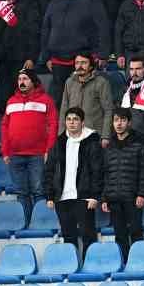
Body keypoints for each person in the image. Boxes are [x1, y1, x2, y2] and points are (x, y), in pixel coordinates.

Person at [44, 106, 103, 258]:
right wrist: (50, 195)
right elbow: (49, 170)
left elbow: (98, 170)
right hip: (62, 198)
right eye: (69, 119)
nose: (71, 122)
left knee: (87, 234)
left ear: (82, 122)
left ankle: (91, 266)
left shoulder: (92, 141)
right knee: (68, 236)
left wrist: (94, 196)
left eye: (75, 119)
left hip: (84, 197)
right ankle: (72, 267)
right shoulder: (59, 143)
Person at [1, 68, 58, 218]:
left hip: (38, 155)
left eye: (25, 79)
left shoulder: (46, 100)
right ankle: (26, 223)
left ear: (33, 81)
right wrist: (6, 152)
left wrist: (49, 150)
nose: (22, 82)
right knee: (21, 193)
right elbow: (4, 127)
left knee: (39, 191)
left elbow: (53, 125)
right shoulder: (11, 101)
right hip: (15, 155)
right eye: (20, 79)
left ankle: (40, 221)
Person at [100, 108, 144, 263]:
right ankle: (124, 264)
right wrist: (104, 198)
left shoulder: (138, 145)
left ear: (129, 123)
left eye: (122, 120)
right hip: (114, 199)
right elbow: (105, 174)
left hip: (133, 198)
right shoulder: (108, 148)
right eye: (116, 120)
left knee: (136, 232)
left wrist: (142, 194)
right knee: (120, 234)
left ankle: (139, 263)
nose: (119, 124)